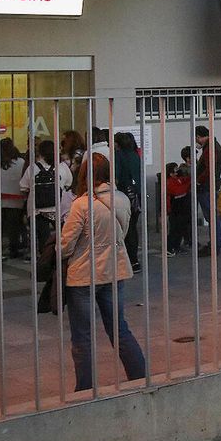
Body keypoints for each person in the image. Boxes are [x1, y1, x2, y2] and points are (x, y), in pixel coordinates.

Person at [60, 154, 146, 393]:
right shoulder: (121, 199)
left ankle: (85, 387)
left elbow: (66, 245)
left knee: (82, 336)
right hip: (114, 271)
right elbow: (123, 232)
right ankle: (140, 375)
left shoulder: (81, 204)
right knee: (119, 328)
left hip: (84, 275)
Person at [21, 140, 74, 259]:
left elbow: (23, 186)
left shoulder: (32, 168)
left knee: (43, 240)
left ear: (40, 153)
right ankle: (59, 261)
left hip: (37, 210)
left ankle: (45, 262)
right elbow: (69, 183)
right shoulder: (62, 167)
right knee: (61, 237)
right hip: (58, 208)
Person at [112, 133, 143, 274]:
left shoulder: (118, 156)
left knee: (124, 229)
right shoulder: (136, 155)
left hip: (124, 195)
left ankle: (127, 260)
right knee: (132, 228)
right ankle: (134, 259)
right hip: (136, 196)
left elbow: (117, 177)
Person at [194, 126, 221, 254]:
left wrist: (198, 180)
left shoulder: (210, 149)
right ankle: (215, 242)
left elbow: (209, 169)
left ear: (199, 136)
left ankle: (215, 244)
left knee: (212, 217)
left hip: (207, 186)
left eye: (197, 138)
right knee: (213, 217)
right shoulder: (213, 146)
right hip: (210, 185)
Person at [0, 138, 27, 259]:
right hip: (17, 199)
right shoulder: (20, 162)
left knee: (1, 225)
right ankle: (16, 247)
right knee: (16, 225)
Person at [165, 160, 192, 256]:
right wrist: (188, 184)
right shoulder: (170, 182)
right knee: (174, 230)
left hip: (180, 209)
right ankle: (169, 248)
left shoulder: (178, 179)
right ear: (170, 173)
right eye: (175, 170)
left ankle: (176, 246)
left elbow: (185, 181)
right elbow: (178, 191)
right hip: (174, 210)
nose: (178, 171)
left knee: (180, 228)